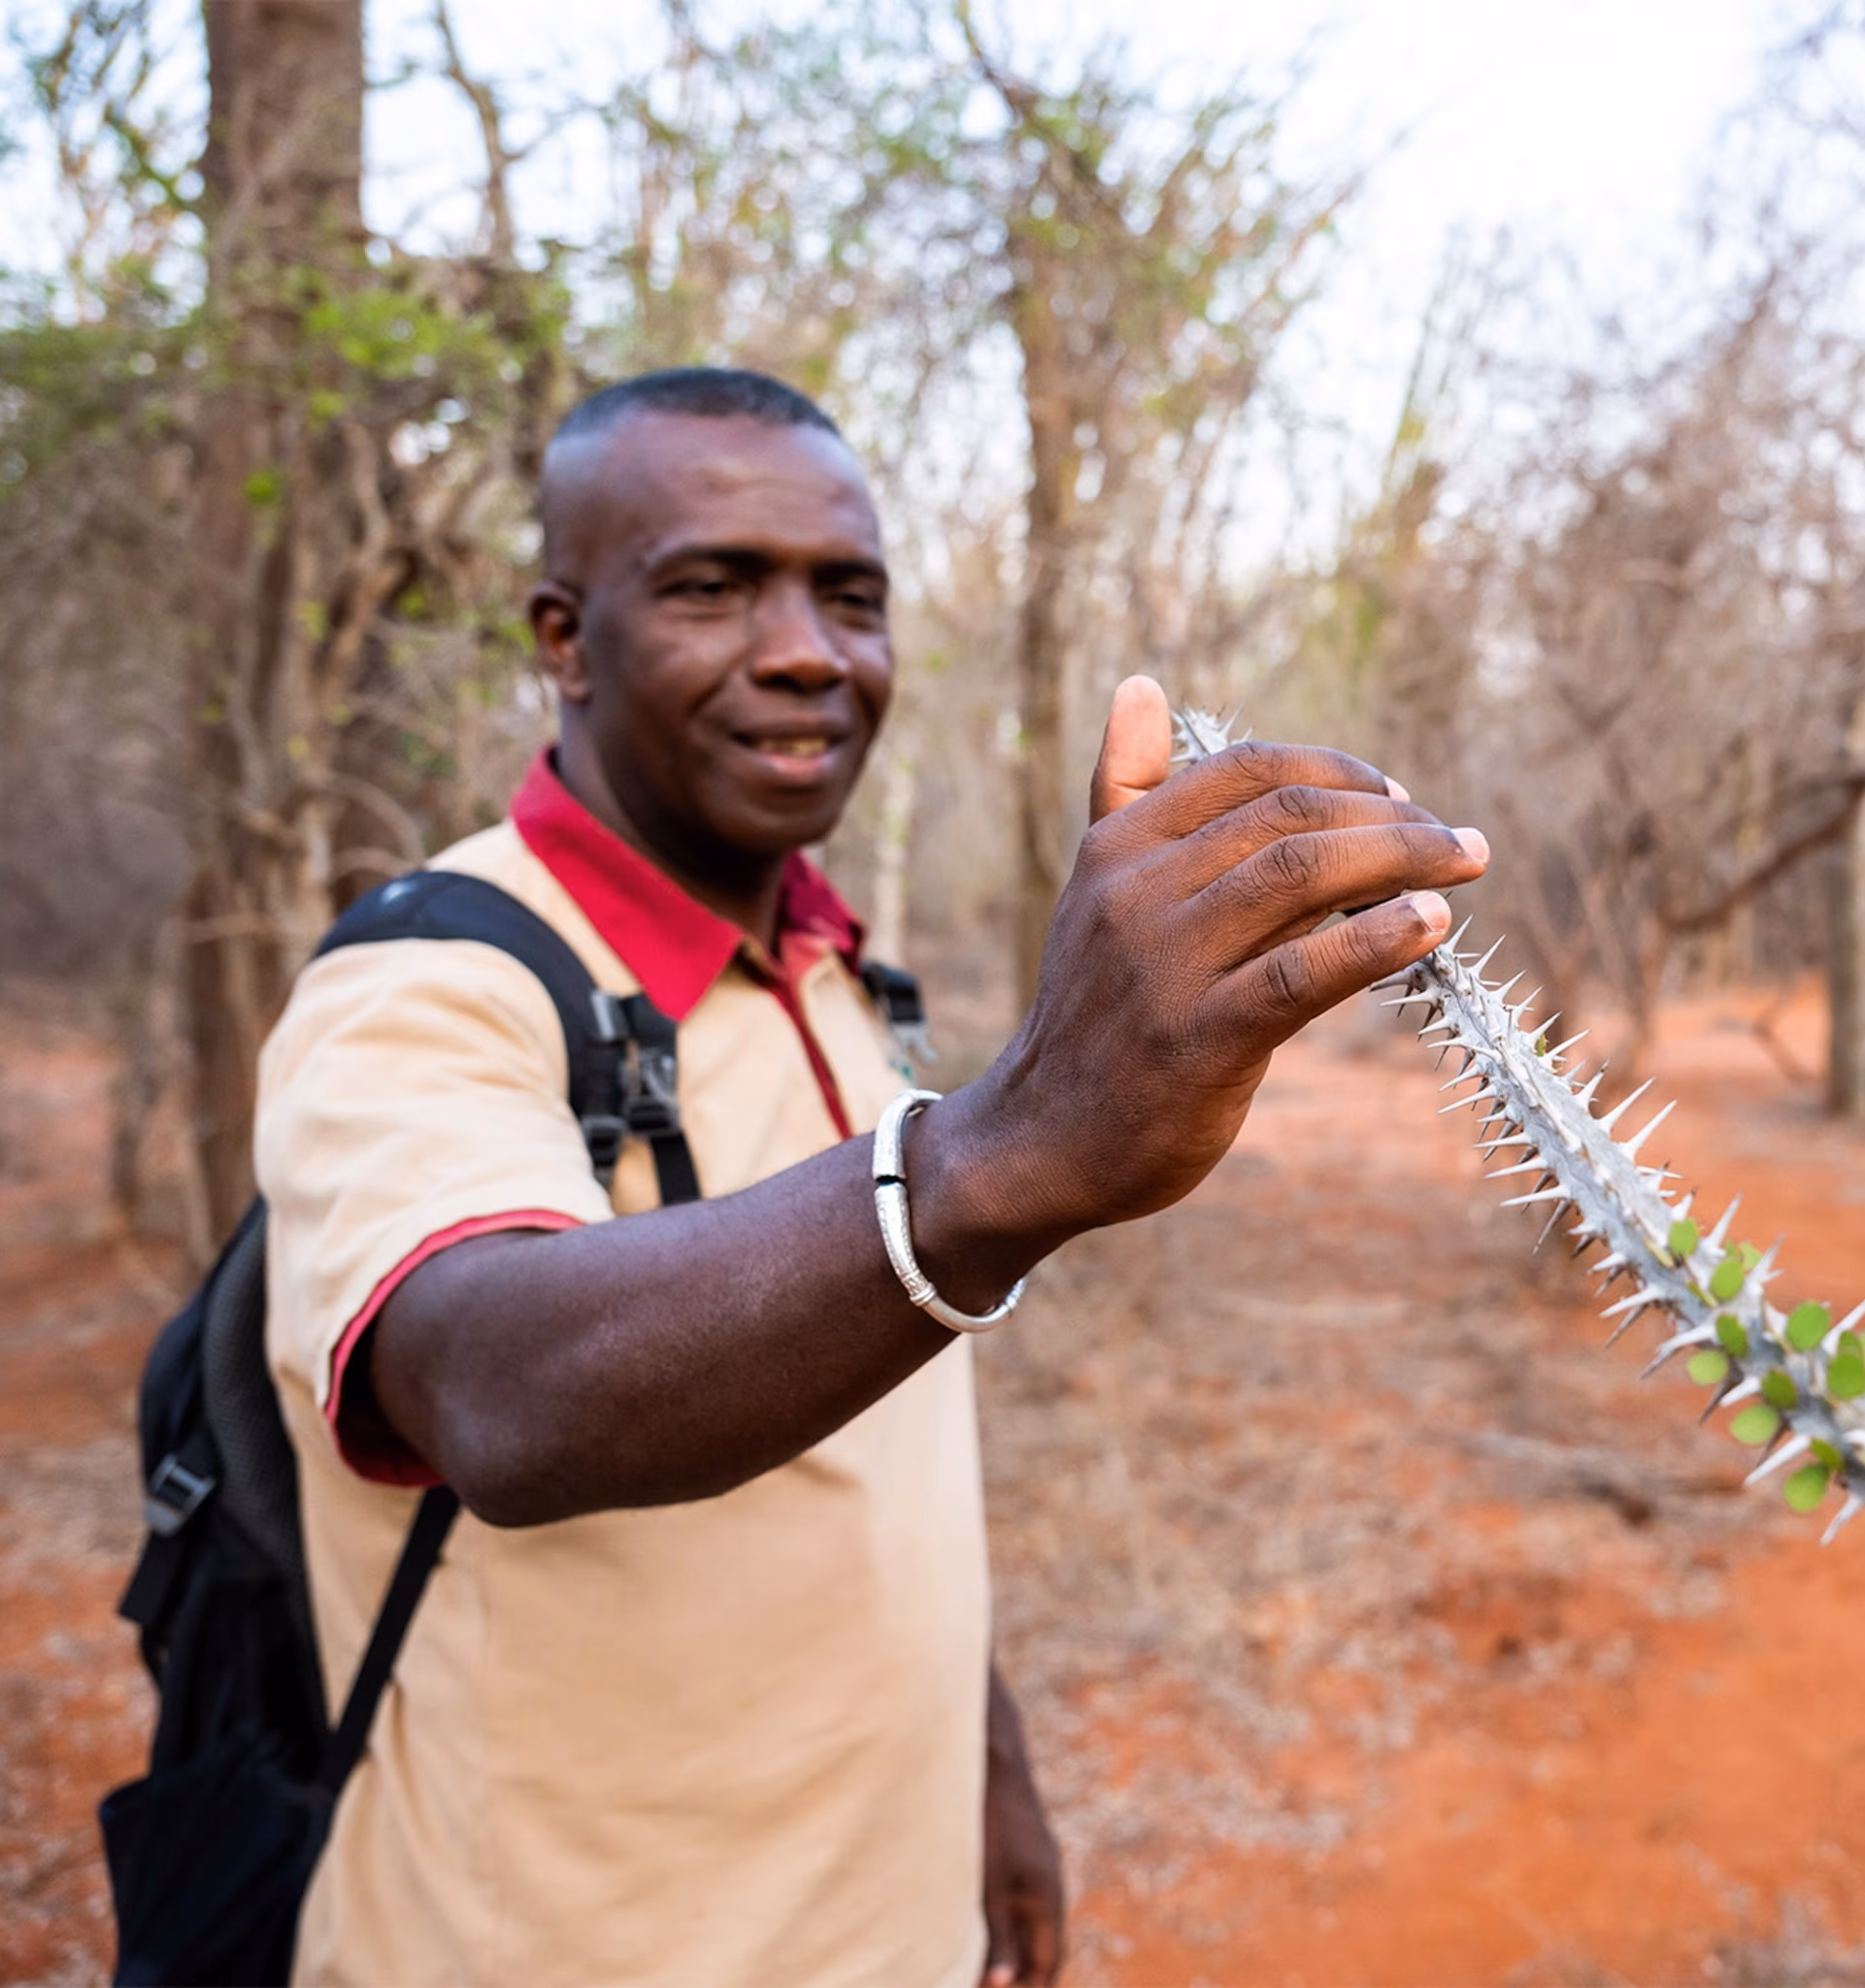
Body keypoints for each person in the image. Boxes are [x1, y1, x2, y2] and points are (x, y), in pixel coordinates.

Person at [254, 367, 1490, 1987]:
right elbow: (496, 1388)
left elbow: (875, 1433)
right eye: (711, 586)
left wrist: (983, 1764)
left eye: (852, 596)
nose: (806, 651)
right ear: (562, 637)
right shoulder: (429, 979)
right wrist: (1004, 1149)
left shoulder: (846, 980)